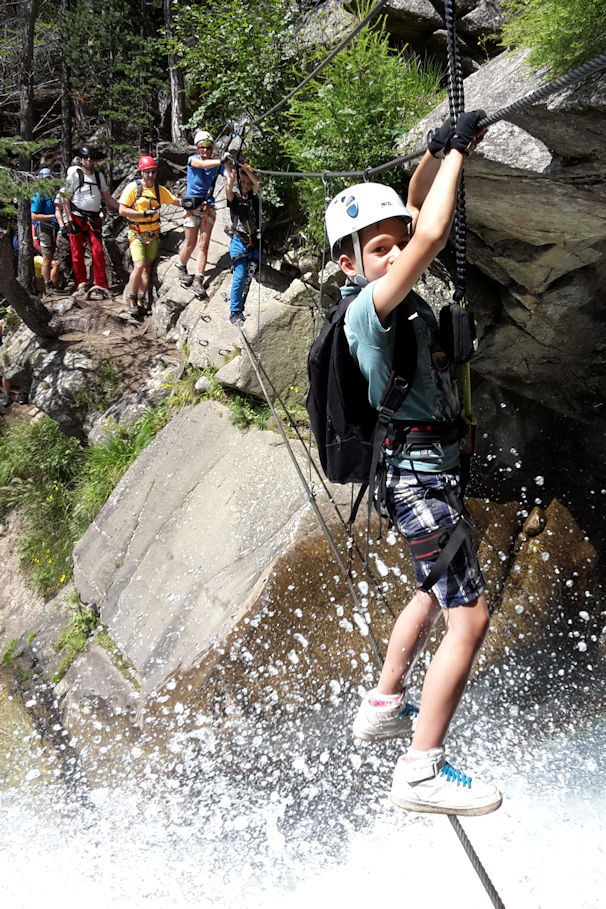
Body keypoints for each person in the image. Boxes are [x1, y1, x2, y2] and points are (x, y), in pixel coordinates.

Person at [326, 110, 502, 817]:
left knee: (432, 590)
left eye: (393, 245)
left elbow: (413, 206)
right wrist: (459, 154)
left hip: (425, 473)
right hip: (419, 479)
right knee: (471, 617)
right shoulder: (368, 309)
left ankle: (385, 698)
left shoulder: (385, 290)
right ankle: (421, 767)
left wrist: (433, 156)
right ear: (350, 265)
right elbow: (430, 232)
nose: (396, 255)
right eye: (379, 250)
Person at [118, 155, 181, 317]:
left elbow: (175, 201)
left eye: (153, 172)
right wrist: (143, 214)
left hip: (153, 235)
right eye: (147, 172)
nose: (151, 175)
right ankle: (132, 298)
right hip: (137, 233)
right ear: (141, 172)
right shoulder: (134, 188)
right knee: (138, 265)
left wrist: (193, 203)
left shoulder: (159, 191)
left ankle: (140, 299)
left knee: (146, 268)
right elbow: (122, 210)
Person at [59, 144, 119, 292]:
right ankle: (81, 283)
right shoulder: (74, 176)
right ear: (81, 159)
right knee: (77, 253)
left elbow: (107, 198)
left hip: (93, 219)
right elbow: (65, 199)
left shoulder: (99, 176)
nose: (89, 160)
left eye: (91, 158)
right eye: (86, 157)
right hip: (77, 217)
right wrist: (69, 221)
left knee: (97, 251)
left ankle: (100, 285)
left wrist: (124, 209)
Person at [175, 129, 225, 299]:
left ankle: (198, 279)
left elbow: (229, 175)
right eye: (201, 147)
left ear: (211, 148)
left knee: (203, 245)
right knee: (190, 242)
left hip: (208, 207)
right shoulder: (193, 160)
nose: (204, 151)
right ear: (197, 148)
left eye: (208, 148)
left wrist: (233, 168)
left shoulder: (217, 164)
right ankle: (181, 266)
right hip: (192, 206)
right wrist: (220, 161)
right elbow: (202, 165)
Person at [224, 161, 260, 325]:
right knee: (239, 277)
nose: (246, 186)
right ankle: (234, 312)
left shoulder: (253, 198)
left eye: (247, 183)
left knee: (248, 276)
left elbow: (257, 184)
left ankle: (240, 307)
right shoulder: (235, 199)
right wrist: (232, 173)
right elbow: (228, 190)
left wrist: (245, 169)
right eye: (243, 183)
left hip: (253, 242)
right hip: (239, 241)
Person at [31, 167, 59, 295]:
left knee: (55, 259)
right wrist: (54, 216)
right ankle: (47, 286)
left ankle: (54, 285)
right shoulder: (38, 195)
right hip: (43, 228)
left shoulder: (54, 193)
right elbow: (34, 215)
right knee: (47, 257)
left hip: (56, 228)